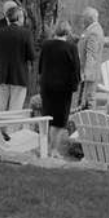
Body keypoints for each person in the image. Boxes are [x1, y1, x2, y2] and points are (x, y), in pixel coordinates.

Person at [36, 22, 82, 155]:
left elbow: (40, 66)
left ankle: (47, 147)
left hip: (47, 86)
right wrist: (75, 86)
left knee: (48, 117)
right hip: (63, 89)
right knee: (60, 120)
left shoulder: (46, 45)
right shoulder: (71, 47)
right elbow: (76, 69)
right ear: (67, 33)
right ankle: (53, 149)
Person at [0, 3, 36, 112]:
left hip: (1, 75)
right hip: (19, 76)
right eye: (23, 17)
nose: (24, 19)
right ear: (18, 18)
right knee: (15, 109)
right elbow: (31, 55)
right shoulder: (26, 34)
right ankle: (12, 129)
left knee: (0, 108)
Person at [76, 6, 106, 109]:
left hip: (90, 72)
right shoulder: (91, 30)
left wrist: (86, 73)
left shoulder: (94, 32)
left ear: (89, 18)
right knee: (87, 98)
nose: (82, 20)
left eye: (84, 17)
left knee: (89, 99)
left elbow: (91, 55)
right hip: (88, 71)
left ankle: (89, 120)